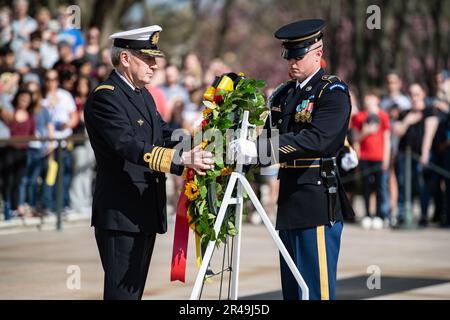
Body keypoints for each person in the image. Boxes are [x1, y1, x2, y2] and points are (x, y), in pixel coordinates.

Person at [84, 25, 214, 300]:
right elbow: (128, 146)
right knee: (122, 294)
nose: (154, 65)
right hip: (121, 212)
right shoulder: (105, 97)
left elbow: (164, 134)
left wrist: (203, 142)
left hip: (143, 208)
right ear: (125, 58)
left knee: (134, 293)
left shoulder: (141, 94)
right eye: (147, 57)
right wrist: (181, 160)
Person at [231, 19, 354, 300]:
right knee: (293, 290)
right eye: (289, 55)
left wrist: (261, 149)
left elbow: (318, 140)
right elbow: (266, 140)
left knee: (316, 289)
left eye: (299, 55)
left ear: (318, 53)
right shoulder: (283, 94)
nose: (292, 62)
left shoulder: (332, 92)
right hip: (288, 199)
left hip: (316, 198)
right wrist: (234, 158)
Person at [351, 89, 391, 228]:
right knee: (367, 187)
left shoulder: (383, 116)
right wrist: (365, 131)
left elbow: (387, 139)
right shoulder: (359, 117)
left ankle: (381, 215)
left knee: (380, 187)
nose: (369, 100)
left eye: (371, 97)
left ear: (377, 99)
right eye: (367, 97)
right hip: (365, 157)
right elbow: (355, 138)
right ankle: (368, 214)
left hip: (379, 157)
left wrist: (386, 157)